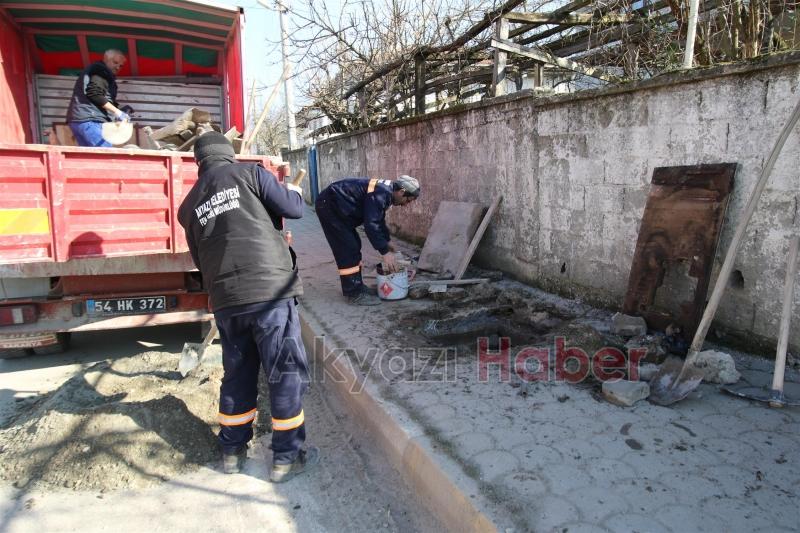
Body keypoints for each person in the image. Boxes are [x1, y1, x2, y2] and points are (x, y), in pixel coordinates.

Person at [178, 132, 318, 482]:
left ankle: (232, 451)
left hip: (227, 302)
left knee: (238, 375)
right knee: (284, 373)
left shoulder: (188, 206)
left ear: (199, 162)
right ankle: (286, 457)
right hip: (270, 293)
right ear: (229, 154)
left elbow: (201, 259)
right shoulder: (251, 174)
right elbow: (294, 209)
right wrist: (296, 192)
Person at [315, 175, 420, 306]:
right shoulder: (382, 193)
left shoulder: (386, 192)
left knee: (354, 244)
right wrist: (384, 252)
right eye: (408, 200)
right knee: (348, 248)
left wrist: (387, 240)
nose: (405, 204)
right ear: (402, 192)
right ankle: (354, 293)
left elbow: (378, 218)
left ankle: (358, 286)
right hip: (330, 207)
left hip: (338, 208)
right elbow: (371, 225)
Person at [66, 49, 131, 147]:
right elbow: (95, 94)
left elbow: (100, 98)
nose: (118, 67)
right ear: (106, 59)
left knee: (92, 158)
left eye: (120, 65)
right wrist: (118, 112)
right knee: (107, 157)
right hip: (90, 121)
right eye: (115, 62)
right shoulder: (101, 71)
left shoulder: (96, 70)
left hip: (79, 120)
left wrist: (119, 110)